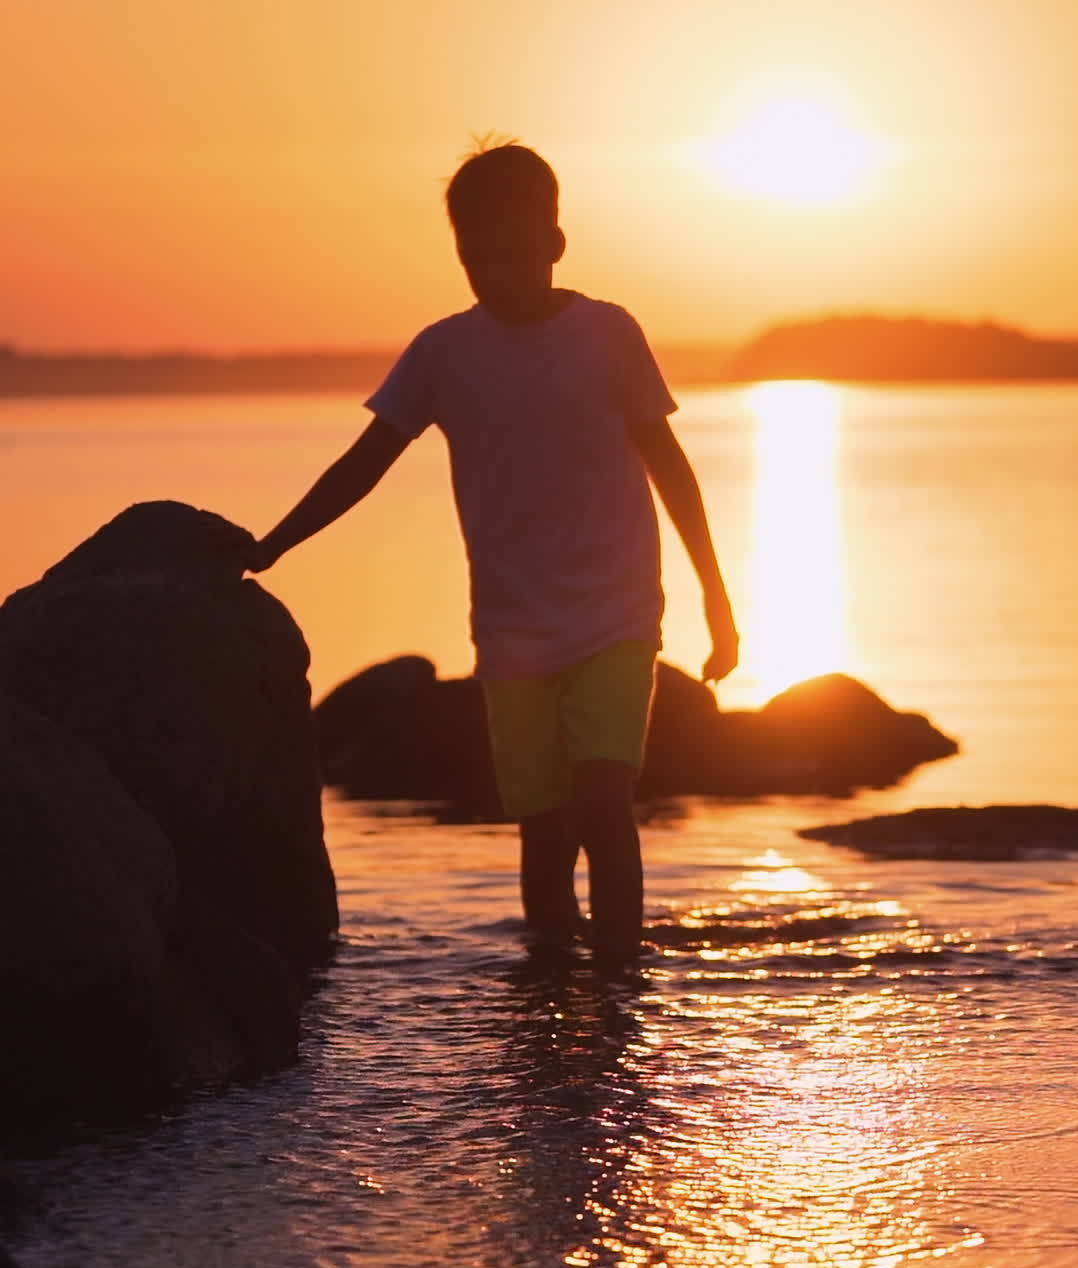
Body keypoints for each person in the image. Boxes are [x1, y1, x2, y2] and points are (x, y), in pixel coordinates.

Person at [240, 142, 738, 966]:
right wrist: (275, 544)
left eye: (512, 253)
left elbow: (672, 469)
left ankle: (619, 989)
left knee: (607, 803)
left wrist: (718, 600)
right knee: (542, 828)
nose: (496, 273)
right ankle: (549, 988)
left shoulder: (609, 335)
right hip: (512, 632)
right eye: (477, 258)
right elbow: (366, 462)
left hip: (616, 613)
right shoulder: (443, 353)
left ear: (555, 244)